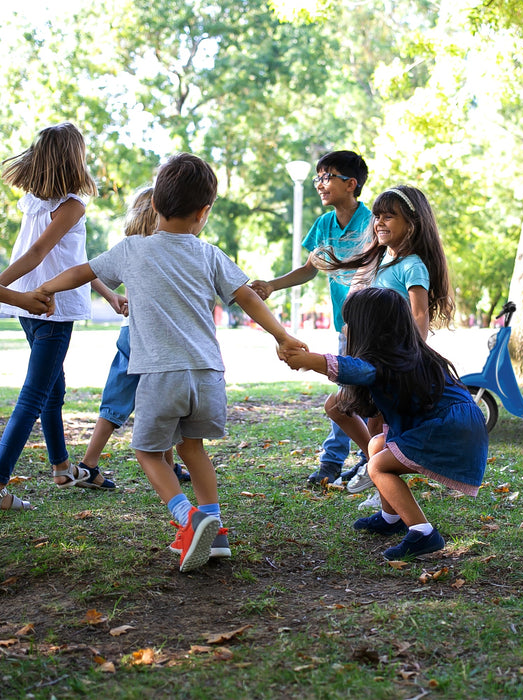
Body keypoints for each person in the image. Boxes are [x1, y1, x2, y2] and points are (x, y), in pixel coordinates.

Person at [38, 152, 307, 573]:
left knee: (146, 450)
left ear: (154, 207)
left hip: (161, 375)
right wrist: (282, 335)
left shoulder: (132, 250)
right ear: (204, 212)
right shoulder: (209, 254)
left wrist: (46, 288)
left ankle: (189, 516)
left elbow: (81, 272)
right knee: (193, 449)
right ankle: (215, 531)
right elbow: (248, 296)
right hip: (208, 375)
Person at [284, 287, 488, 559]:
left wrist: (311, 361)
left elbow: (356, 369)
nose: (345, 328)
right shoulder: (405, 354)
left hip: (448, 430)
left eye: (349, 323)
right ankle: (390, 518)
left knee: (378, 466)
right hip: (451, 426)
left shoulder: (388, 361)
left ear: (369, 328)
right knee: (377, 445)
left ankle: (423, 533)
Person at [0, 123, 126, 512]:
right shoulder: (71, 204)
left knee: (54, 389)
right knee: (35, 395)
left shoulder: (34, 203)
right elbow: (38, 253)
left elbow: (73, 260)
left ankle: (60, 466)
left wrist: (107, 291)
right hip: (49, 308)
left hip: (30, 305)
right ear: (75, 158)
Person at [315, 185, 453, 501]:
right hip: (371, 359)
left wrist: (414, 356)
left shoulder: (413, 265)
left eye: (389, 216)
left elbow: (419, 316)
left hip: (393, 363)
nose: (379, 221)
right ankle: (373, 464)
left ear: (412, 224)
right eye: (377, 215)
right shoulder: (381, 262)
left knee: (378, 423)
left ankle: (382, 481)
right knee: (337, 408)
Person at [250, 150, 371, 486]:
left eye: (326, 176)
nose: (320, 184)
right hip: (344, 327)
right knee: (348, 393)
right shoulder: (324, 225)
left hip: (371, 328)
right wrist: (272, 285)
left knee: (351, 395)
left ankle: (339, 463)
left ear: (351, 184)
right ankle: (362, 459)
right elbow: (309, 269)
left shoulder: (372, 222)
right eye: (318, 177)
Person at [75, 187, 189, 489]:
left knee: (117, 400)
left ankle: (90, 464)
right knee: (162, 400)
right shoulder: (166, 248)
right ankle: (92, 465)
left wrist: (116, 297)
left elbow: (90, 270)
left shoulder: (130, 247)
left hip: (131, 334)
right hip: (153, 338)